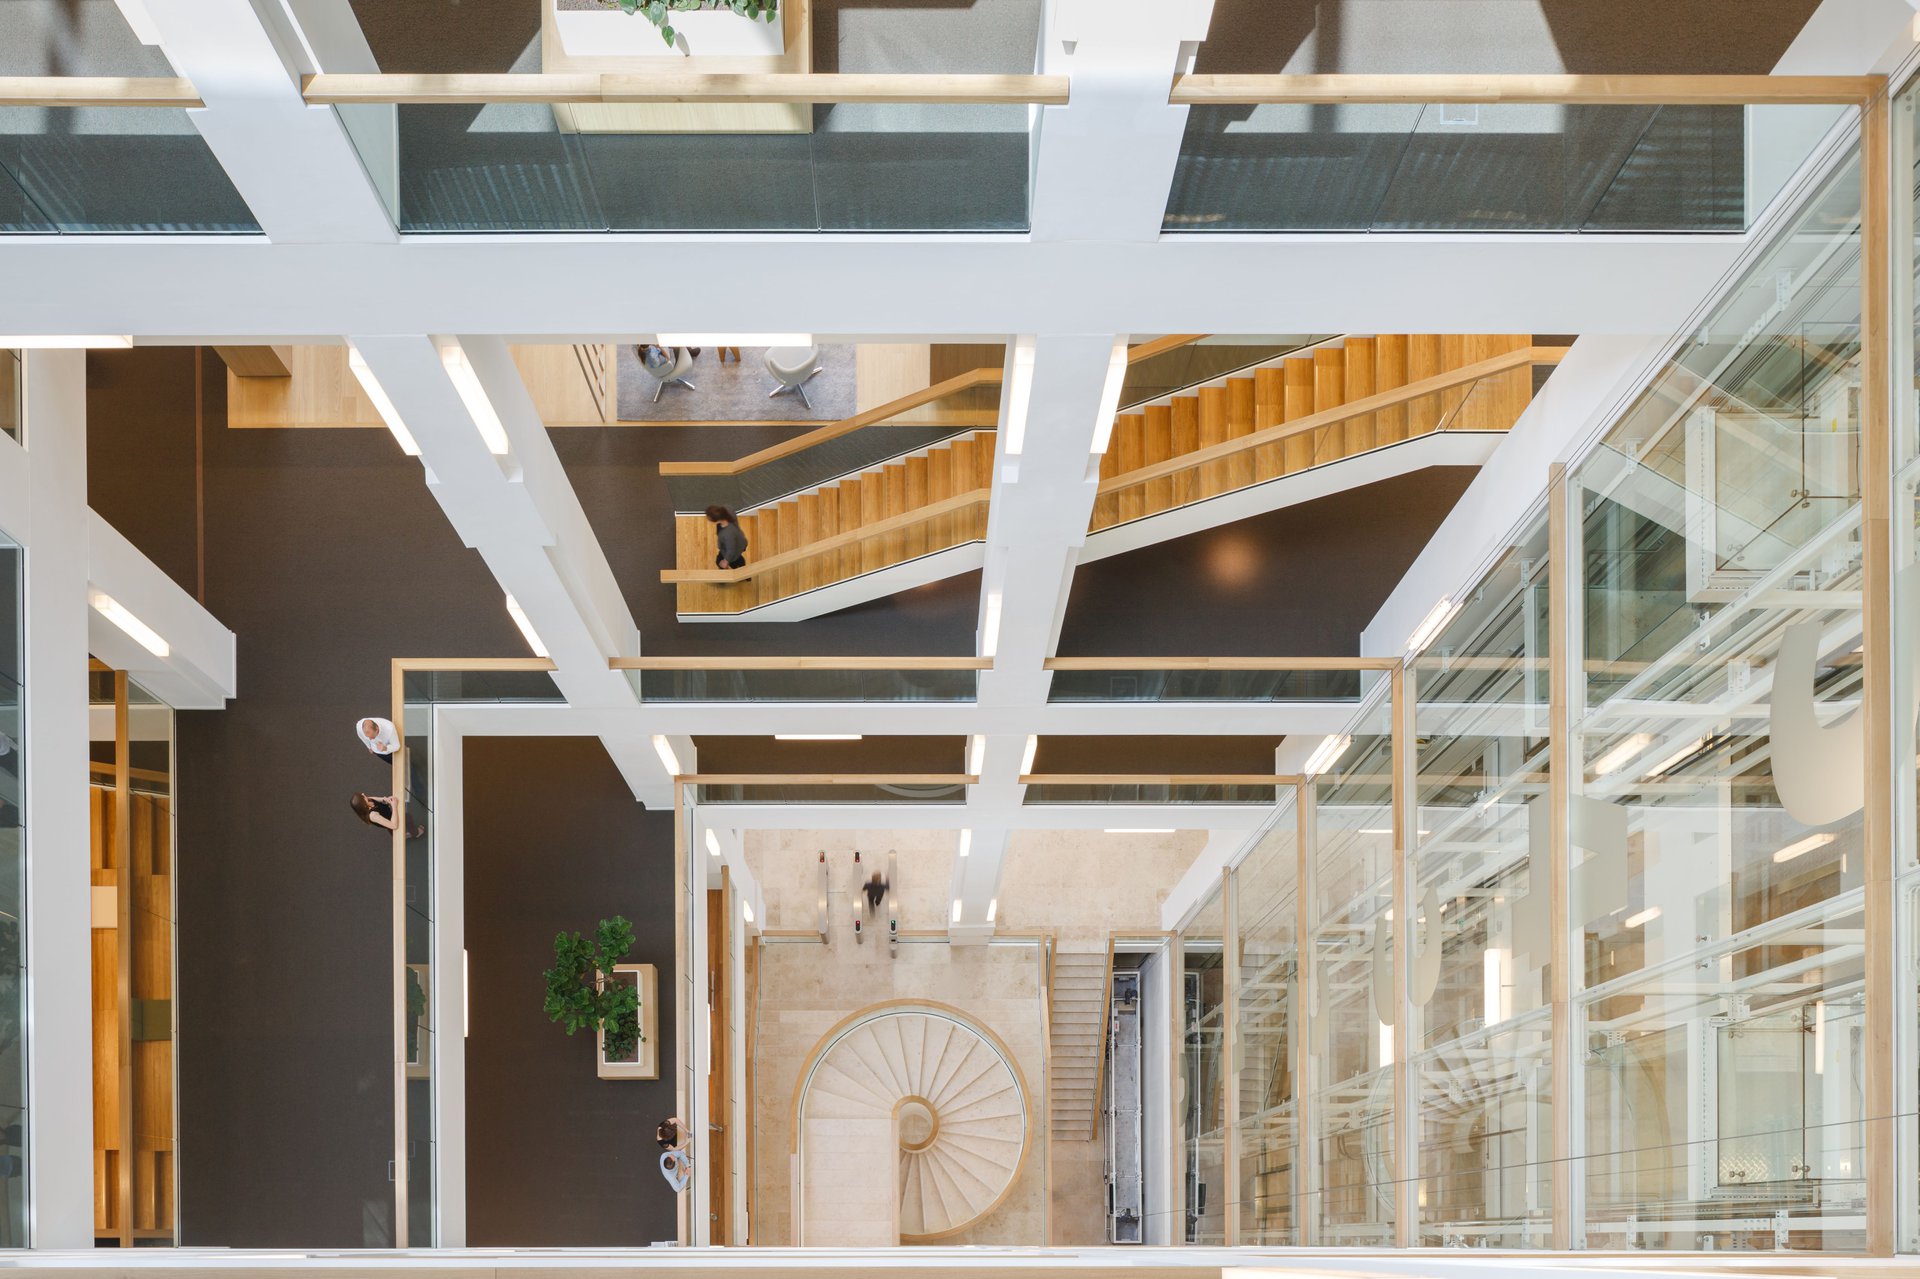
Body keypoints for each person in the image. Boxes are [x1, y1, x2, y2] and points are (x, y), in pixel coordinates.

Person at [351, 792, 424, 840]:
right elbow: (393, 825)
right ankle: (416, 833)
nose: (363, 794)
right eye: (362, 797)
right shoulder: (373, 815)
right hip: (390, 820)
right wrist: (394, 806)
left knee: (396, 834)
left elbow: (381, 800)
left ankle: (402, 836)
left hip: (389, 815)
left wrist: (386, 799)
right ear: (364, 804)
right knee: (408, 818)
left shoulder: (368, 800)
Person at [657, 1116, 693, 1193]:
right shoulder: (670, 1176)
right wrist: (687, 1175)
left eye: (671, 1155)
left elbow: (680, 1153)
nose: (673, 1155)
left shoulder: (665, 1155)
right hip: (676, 1171)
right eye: (673, 1156)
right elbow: (678, 1189)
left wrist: (688, 1166)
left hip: (672, 1150)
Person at [706, 505, 748, 570]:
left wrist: (726, 561)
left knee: (729, 561)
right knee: (735, 558)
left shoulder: (727, 533)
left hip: (735, 545)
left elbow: (731, 549)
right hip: (739, 541)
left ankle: (742, 572)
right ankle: (742, 569)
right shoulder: (728, 512)